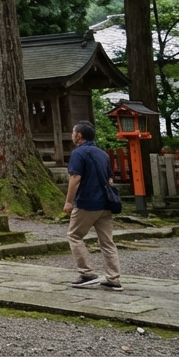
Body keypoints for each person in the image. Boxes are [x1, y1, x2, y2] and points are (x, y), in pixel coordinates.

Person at [65, 120, 122, 290]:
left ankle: (87, 273)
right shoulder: (102, 154)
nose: (72, 135)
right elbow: (110, 178)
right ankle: (113, 278)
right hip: (106, 203)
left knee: (74, 235)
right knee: (107, 242)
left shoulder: (78, 153)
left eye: (73, 132)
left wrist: (69, 201)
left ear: (79, 135)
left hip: (87, 202)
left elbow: (75, 177)